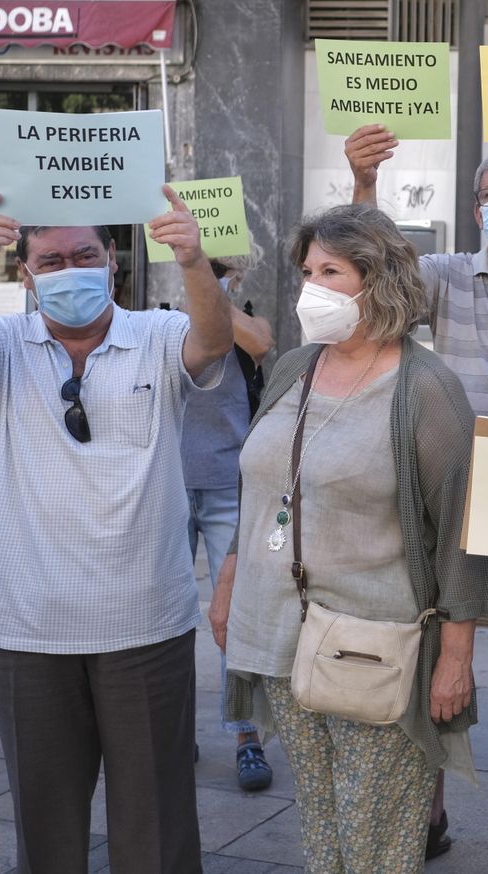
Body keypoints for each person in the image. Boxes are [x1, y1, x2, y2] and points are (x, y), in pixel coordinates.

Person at [0, 189, 235, 873]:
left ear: (113, 260)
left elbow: (213, 341)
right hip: (28, 627)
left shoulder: (155, 334)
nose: (71, 270)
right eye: (52, 260)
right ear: (26, 274)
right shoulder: (3, 344)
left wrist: (191, 257)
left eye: (84, 255)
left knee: (156, 824)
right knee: (46, 824)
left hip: (144, 625)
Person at [209, 204, 488, 874]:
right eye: (308, 270)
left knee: (374, 843)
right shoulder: (293, 368)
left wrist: (455, 659)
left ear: (378, 281)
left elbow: (462, 530)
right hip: (282, 639)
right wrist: (230, 576)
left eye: (331, 271)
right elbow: (264, 484)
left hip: (376, 649)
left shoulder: (425, 389)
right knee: (323, 833)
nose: (311, 285)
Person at [346, 124, 488, 864]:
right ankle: (424, 816)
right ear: (475, 210)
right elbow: (371, 274)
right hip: (456, 493)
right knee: (436, 657)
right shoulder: (444, 274)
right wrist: (366, 186)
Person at [181, 256, 276, 791]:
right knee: (165, 614)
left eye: (222, 266)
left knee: (234, 617)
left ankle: (247, 735)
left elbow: (260, 346)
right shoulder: (164, 319)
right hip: (169, 486)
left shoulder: (248, 323)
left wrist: (205, 279)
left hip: (228, 489)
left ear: (237, 273)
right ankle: (172, 730)